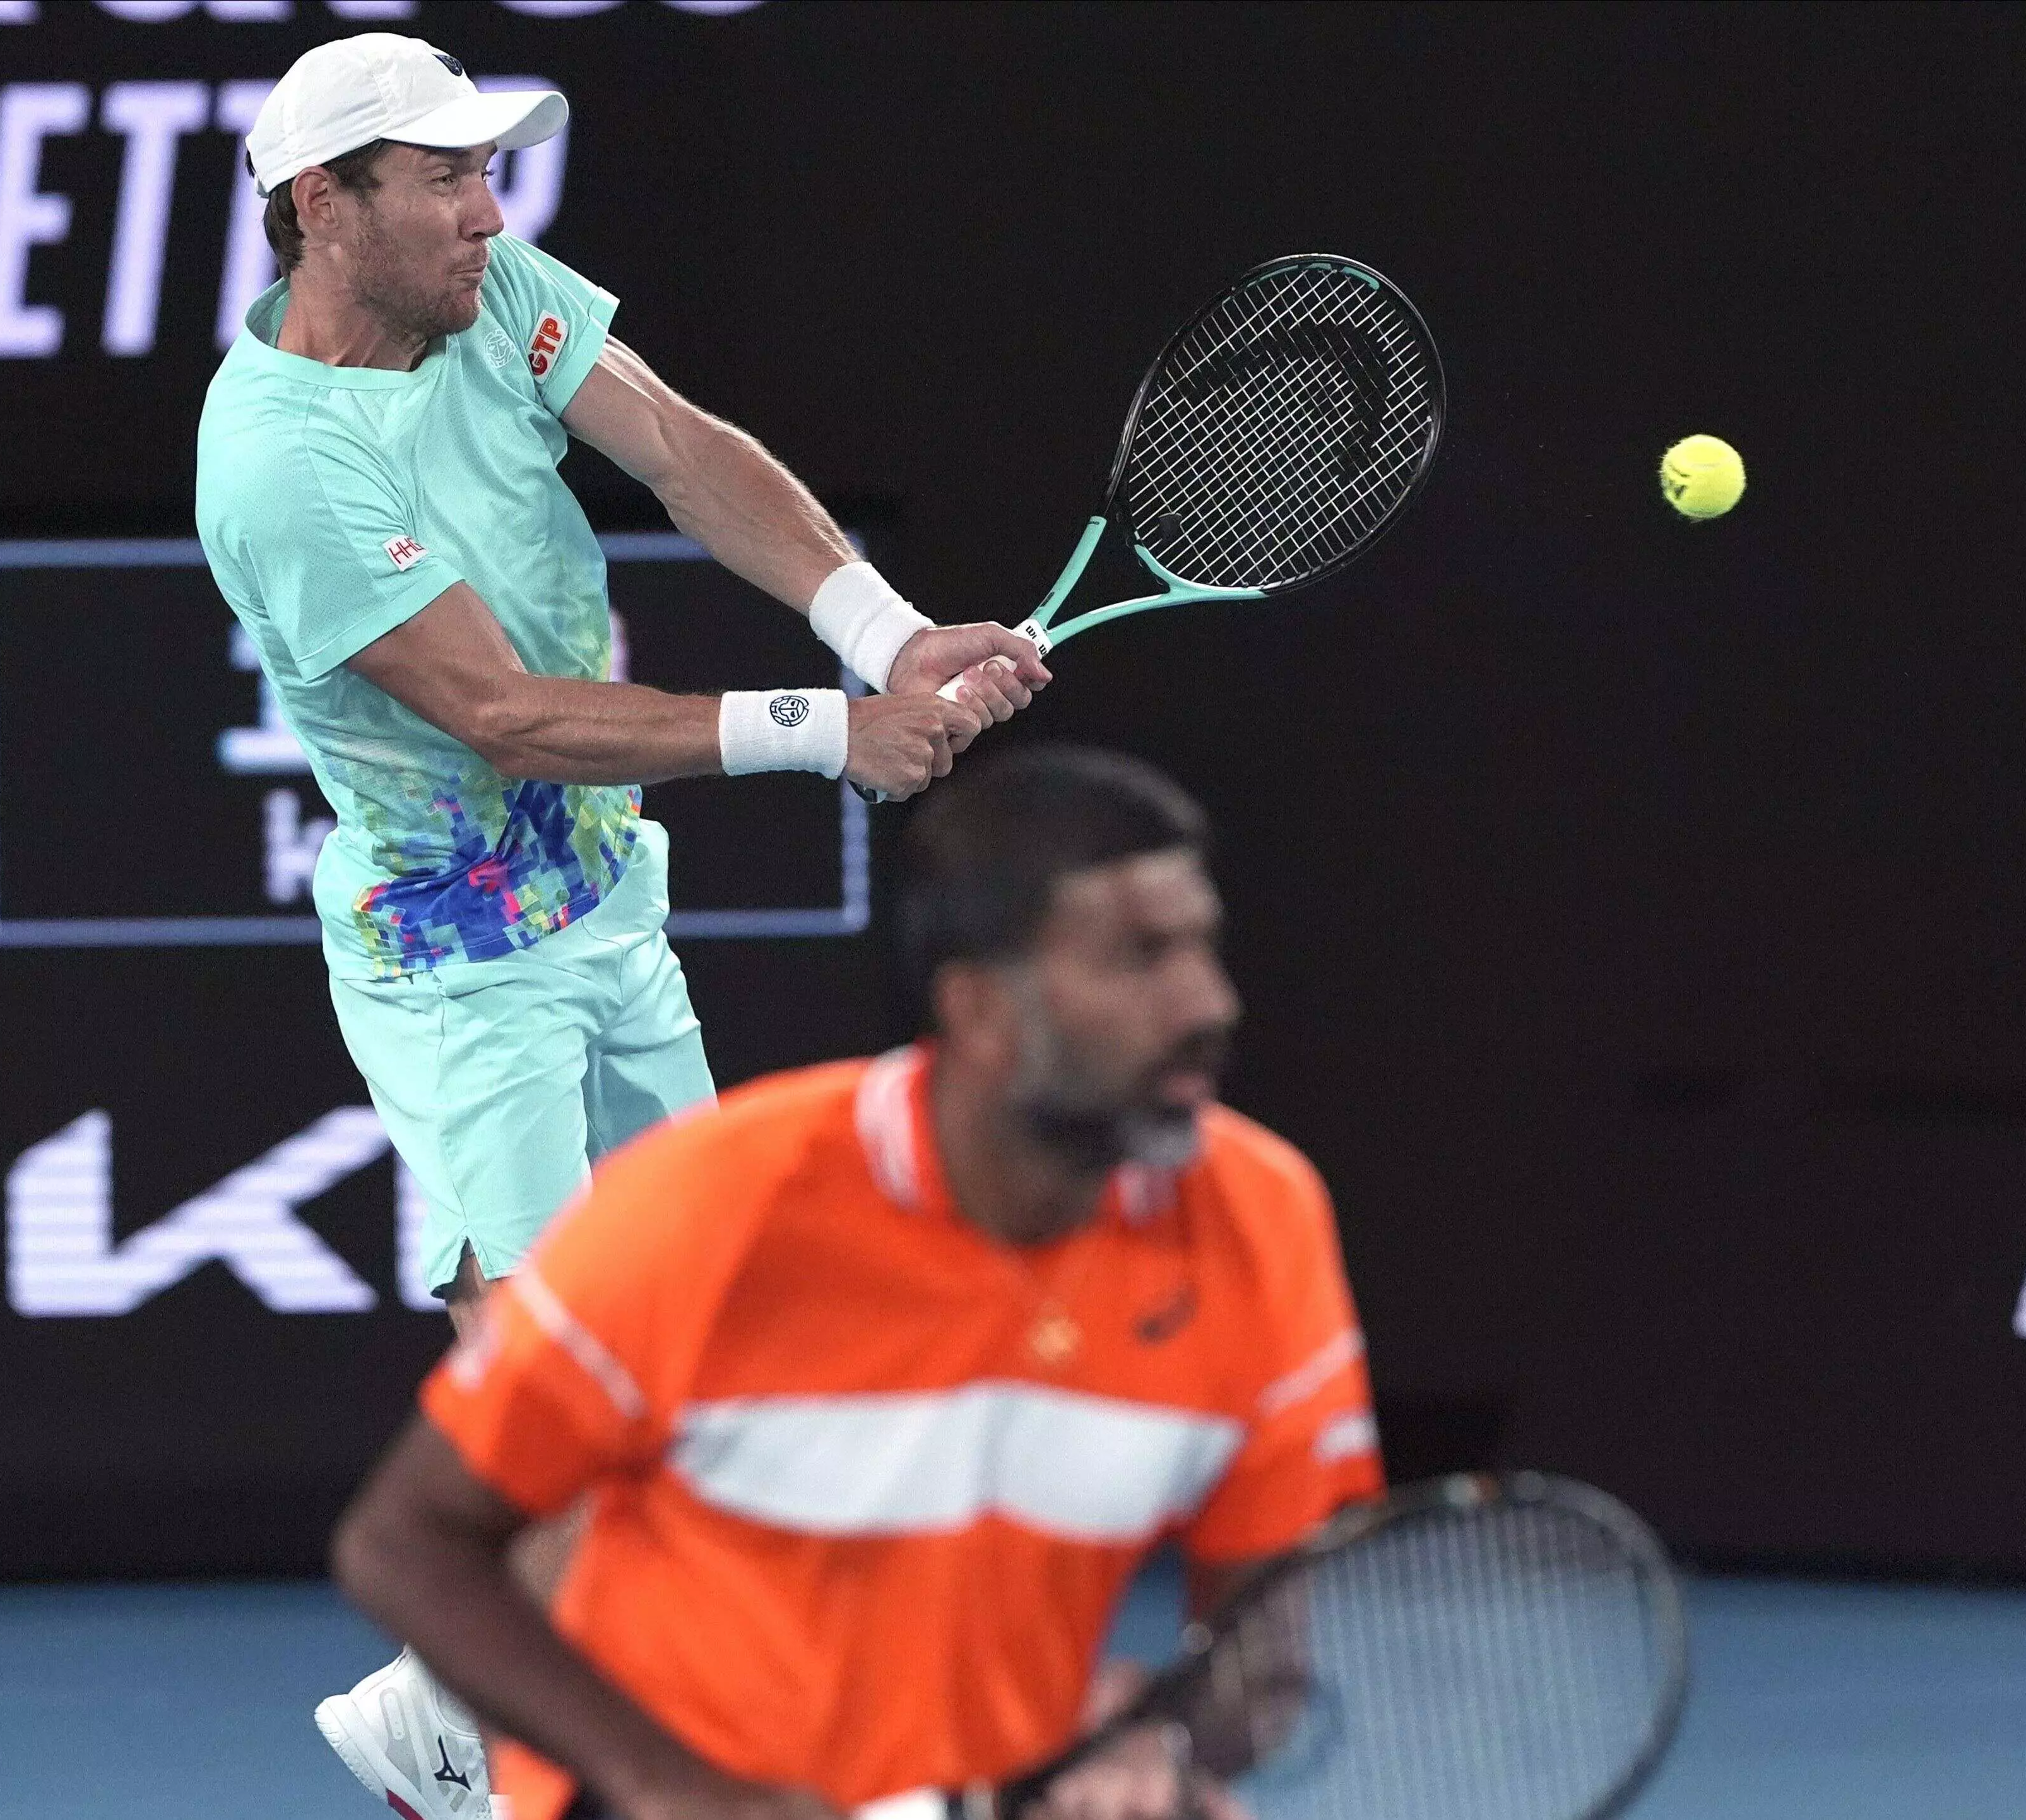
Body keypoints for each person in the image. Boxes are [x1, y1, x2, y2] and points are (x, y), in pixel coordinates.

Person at [191, 33, 1050, 1818]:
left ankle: (441, 1695)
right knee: (558, 1354)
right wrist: (829, 733)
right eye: (442, 178)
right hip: (456, 963)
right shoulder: (277, 461)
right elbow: (504, 714)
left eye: (488, 169)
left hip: (605, 903)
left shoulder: (487, 290)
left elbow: (676, 447)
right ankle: (546, 1762)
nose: (487, 212)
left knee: (708, 1337)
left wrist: (882, 635)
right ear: (316, 209)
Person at [331, 747, 1385, 1820]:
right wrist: (679, 1790)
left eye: (1203, 946)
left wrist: (1156, 1743)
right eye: (1140, 958)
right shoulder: (719, 1207)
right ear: (981, 1011)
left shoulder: (1262, 1219)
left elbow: (1263, 1662)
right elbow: (405, 1540)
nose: (1208, 1001)